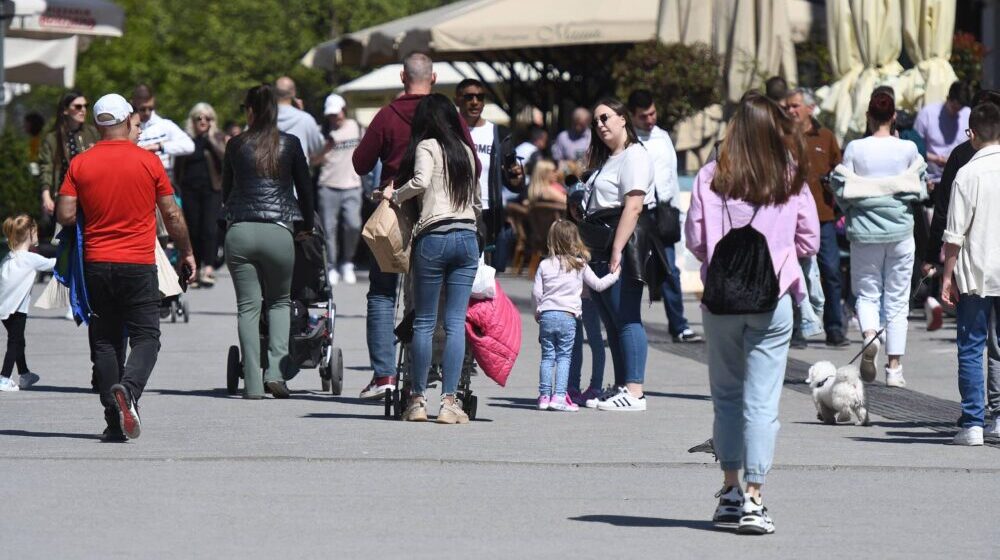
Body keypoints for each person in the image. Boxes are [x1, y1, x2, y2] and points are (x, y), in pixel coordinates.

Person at [685, 93, 819, 535]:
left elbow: (696, 241)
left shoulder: (710, 176)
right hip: (772, 296)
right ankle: (755, 500)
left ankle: (728, 491)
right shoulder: (789, 177)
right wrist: (778, 252)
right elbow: (810, 241)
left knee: (726, 396)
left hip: (721, 299)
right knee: (762, 401)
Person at [56, 93, 196, 442]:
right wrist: (188, 253)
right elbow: (172, 214)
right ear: (126, 119)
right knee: (147, 336)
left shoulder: (80, 163)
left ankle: (112, 420)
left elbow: (65, 215)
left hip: (96, 265)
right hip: (137, 262)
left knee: (105, 342)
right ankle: (129, 390)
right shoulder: (148, 162)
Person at [352, 52, 479, 402]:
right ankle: (446, 382)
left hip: (397, 213)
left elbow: (360, 163)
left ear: (401, 76)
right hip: (445, 215)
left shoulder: (387, 115)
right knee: (443, 308)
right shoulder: (449, 116)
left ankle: (385, 374)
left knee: (382, 291)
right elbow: (474, 165)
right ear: (434, 78)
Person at [379, 93, 480, 424]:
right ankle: (450, 402)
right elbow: (477, 200)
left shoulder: (427, 146)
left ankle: (418, 400)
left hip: (434, 236)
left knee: (424, 322)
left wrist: (394, 194)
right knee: (454, 324)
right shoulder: (465, 150)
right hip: (466, 237)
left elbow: (421, 182)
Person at [222, 85, 315, 400]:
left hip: (241, 230)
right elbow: (306, 189)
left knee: (247, 307)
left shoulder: (235, 145)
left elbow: (226, 192)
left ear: (249, 110)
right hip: (278, 231)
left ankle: (250, 382)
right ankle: (275, 372)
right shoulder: (290, 144)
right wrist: (308, 226)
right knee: (278, 302)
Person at [832, 91, 927, 388]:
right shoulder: (908, 148)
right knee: (897, 298)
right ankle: (895, 368)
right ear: (894, 116)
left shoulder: (855, 149)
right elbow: (920, 191)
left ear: (868, 117)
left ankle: (870, 334)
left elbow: (842, 190)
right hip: (900, 231)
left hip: (864, 230)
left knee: (868, 293)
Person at [579, 97, 663, 412]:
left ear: (623, 119)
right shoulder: (608, 159)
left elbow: (634, 205)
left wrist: (617, 248)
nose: (600, 125)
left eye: (605, 118)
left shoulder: (634, 156)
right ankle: (621, 386)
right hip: (600, 242)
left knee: (627, 316)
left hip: (623, 242)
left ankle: (635, 391)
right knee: (611, 320)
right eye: (596, 121)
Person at [940, 102, 1000, 446]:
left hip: (975, 270)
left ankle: (973, 422)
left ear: (972, 135)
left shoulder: (967, 174)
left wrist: (947, 277)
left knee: (971, 346)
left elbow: (954, 234)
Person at [628, 89, 702, 343]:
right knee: (632, 272)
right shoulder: (627, 139)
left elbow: (670, 172)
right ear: (632, 116)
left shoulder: (662, 136)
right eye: (643, 116)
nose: (650, 120)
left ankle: (679, 326)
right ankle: (626, 325)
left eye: (652, 113)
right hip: (637, 213)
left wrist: (671, 207)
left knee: (670, 271)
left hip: (663, 213)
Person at [785, 87, 849, 346]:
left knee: (831, 271)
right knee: (791, 275)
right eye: (788, 106)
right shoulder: (781, 137)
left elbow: (840, 169)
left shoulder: (825, 136)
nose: (790, 110)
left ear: (810, 108)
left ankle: (834, 328)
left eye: (795, 106)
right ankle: (795, 329)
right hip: (789, 219)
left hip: (822, 217)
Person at [533, 220, 619, 412]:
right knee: (564, 357)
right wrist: (615, 275)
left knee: (547, 357)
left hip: (546, 314)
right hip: (568, 316)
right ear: (575, 240)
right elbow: (597, 285)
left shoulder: (544, 264)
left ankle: (544, 396)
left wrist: (537, 312)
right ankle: (560, 396)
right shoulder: (580, 264)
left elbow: (537, 293)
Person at [454, 78, 524, 271]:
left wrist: (517, 178)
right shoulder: (450, 131)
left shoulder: (498, 133)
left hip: (489, 212)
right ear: (458, 99)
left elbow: (513, 181)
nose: (475, 101)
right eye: (469, 97)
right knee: (461, 272)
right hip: (458, 210)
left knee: (487, 276)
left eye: (480, 97)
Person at [313, 93, 364, 286]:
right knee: (328, 229)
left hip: (352, 184)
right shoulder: (323, 132)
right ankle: (332, 265)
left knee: (353, 225)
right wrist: (326, 147)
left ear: (344, 110)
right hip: (328, 185)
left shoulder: (356, 127)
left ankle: (347, 262)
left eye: (338, 113)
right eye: (332, 114)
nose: (336, 117)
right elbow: (313, 161)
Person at [0, 216, 55, 392]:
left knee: (18, 341)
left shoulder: (8, 257)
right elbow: (52, 264)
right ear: (31, 232)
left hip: (4, 309)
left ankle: (24, 374)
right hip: (17, 310)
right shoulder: (30, 258)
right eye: (36, 231)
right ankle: (4, 377)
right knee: (15, 342)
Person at [174, 102, 226, 288]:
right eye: (199, 118)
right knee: (193, 229)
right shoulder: (186, 139)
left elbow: (224, 160)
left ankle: (209, 268)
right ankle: (194, 270)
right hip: (189, 189)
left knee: (209, 229)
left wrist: (211, 140)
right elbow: (178, 166)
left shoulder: (218, 138)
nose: (203, 121)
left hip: (212, 190)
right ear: (193, 121)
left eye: (207, 118)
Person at [38, 91, 99, 219]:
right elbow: (46, 168)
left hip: (90, 196)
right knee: (62, 236)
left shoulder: (92, 133)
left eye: (85, 106)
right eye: (77, 106)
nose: (83, 110)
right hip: (64, 197)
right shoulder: (53, 138)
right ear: (65, 110)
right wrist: (46, 195)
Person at [131, 84, 195, 183]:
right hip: (140, 179)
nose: (147, 113)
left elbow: (189, 146)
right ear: (134, 104)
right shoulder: (129, 129)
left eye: (151, 108)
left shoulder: (165, 125)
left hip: (164, 179)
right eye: (143, 109)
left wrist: (159, 147)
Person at [915, 81, 974, 186]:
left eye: (959, 109)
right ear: (948, 98)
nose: (956, 112)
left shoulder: (968, 114)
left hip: (959, 179)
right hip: (932, 179)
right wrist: (936, 159)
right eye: (954, 108)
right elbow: (915, 148)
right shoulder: (927, 113)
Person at [275, 76, 324, 160]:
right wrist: (301, 112)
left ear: (274, 93)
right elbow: (318, 147)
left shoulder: (263, 119)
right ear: (293, 93)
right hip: (298, 171)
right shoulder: (305, 119)